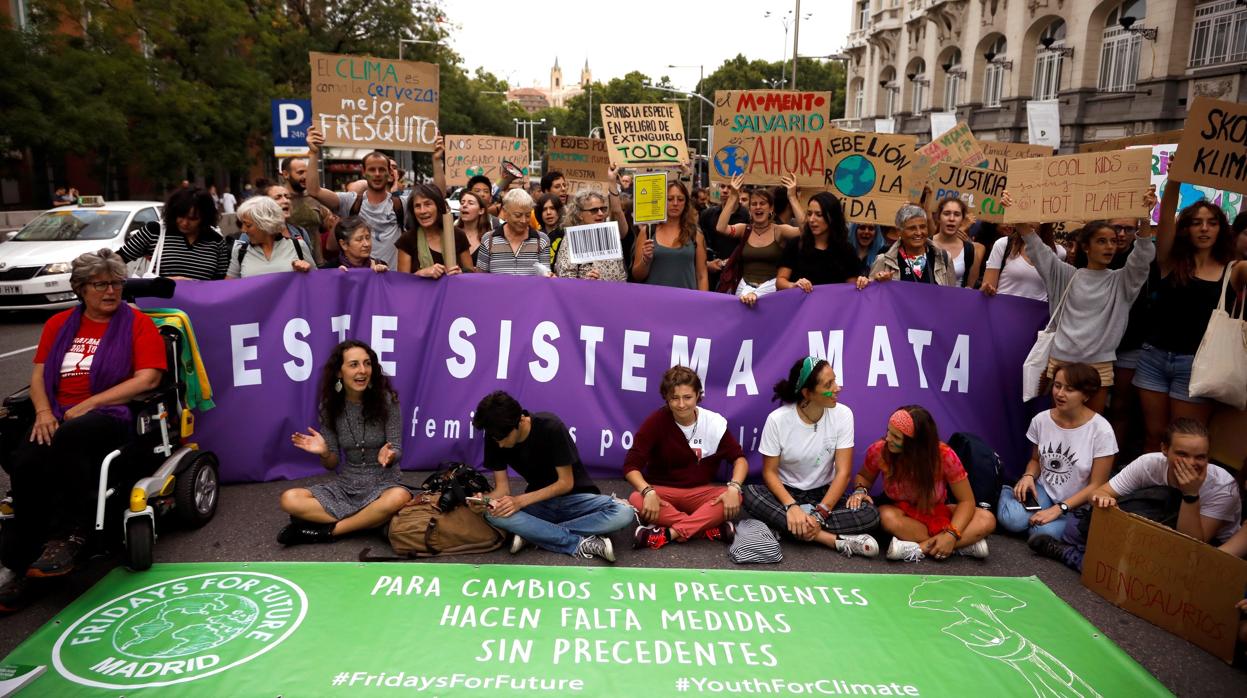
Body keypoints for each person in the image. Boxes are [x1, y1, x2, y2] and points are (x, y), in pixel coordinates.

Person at [0, 250, 165, 608]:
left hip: (112, 415)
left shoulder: (137, 324)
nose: (111, 291)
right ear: (80, 289)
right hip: (57, 413)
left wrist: (91, 403)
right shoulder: (59, 324)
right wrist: (43, 411)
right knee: (26, 459)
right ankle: (20, 562)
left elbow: (148, 377)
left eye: (116, 283)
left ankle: (72, 533)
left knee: (71, 436)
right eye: (100, 284)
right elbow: (40, 375)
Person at [1002, 188, 1157, 413]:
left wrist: (1145, 217)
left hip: (1099, 366)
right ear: (1086, 247)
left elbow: (1142, 256)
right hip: (1062, 362)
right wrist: (1013, 208)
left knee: (1090, 428)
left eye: (1113, 241)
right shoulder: (1064, 275)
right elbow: (1034, 244)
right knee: (1059, 425)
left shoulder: (1122, 281)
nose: (1110, 246)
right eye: (1102, 241)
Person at [1029, 419, 1241, 571]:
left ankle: (1073, 556)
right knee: (1076, 527)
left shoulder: (1223, 487)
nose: (1191, 463)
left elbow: (1192, 544)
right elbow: (1099, 492)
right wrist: (1104, 500)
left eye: (1200, 457)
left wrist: (1191, 494)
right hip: (1150, 530)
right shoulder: (1149, 463)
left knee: (1159, 574)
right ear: (1165, 449)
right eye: (1182, 454)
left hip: (1192, 550)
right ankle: (1093, 555)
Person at [1132, 185, 1247, 451]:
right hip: (1154, 359)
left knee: (1185, 441)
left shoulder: (1235, 270)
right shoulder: (1169, 261)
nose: (1204, 228)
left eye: (1212, 223)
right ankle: (1152, 491)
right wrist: (1174, 180)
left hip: (1197, 367)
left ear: (1222, 229)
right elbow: (1167, 213)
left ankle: (1178, 492)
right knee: (1154, 436)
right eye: (1196, 223)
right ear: (1186, 229)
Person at [742, 357, 881, 557]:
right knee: (749, 494)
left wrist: (821, 514)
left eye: (835, 380)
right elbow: (770, 473)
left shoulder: (843, 415)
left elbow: (843, 473)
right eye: (828, 384)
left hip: (824, 495)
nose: (837, 388)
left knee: (870, 514)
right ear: (807, 393)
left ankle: (788, 528)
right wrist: (791, 507)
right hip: (787, 495)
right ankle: (830, 540)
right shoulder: (778, 420)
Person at [472, 391, 635, 561]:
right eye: (494, 438)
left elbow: (565, 483)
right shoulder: (494, 436)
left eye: (502, 437)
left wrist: (519, 502)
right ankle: (576, 542)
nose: (499, 443)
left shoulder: (551, 426)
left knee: (624, 512)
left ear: (518, 422)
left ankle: (534, 534)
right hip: (538, 504)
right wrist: (484, 501)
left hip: (576, 500)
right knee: (492, 513)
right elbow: (502, 489)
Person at [279, 341, 410, 545]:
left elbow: (397, 447)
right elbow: (331, 464)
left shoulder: (388, 401)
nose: (362, 370)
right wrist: (324, 452)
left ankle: (331, 531)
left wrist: (391, 455)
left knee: (399, 497)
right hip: (347, 485)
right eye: (354, 364)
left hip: (384, 484)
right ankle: (370, 520)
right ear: (339, 373)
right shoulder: (329, 407)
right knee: (289, 498)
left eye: (367, 364)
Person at [624, 366, 749, 549]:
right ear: (666, 398)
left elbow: (740, 460)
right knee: (637, 498)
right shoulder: (656, 422)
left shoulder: (713, 422)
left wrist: (734, 487)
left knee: (734, 497)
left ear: (698, 395)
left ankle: (668, 533)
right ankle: (706, 528)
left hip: (700, 493)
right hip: (663, 492)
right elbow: (631, 466)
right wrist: (647, 491)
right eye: (674, 398)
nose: (681, 404)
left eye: (687, 397)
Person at [853, 406, 996, 562]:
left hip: (938, 513)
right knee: (885, 516)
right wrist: (860, 490)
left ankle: (919, 549)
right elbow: (863, 477)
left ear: (915, 443)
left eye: (896, 437)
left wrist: (951, 534)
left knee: (986, 519)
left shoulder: (944, 455)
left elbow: (967, 501)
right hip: (901, 514)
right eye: (888, 431)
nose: (888, 439)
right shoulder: (880, 450)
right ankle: (960, 547)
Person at [997, 363, 1116, 541]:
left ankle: (1053, 521)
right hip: (1044, 490)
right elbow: (1036, 460)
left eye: (1069, 389)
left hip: (1078, 503)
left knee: (1040, 533)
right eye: (1057, 385)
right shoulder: (1041, 420)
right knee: (1012, 520)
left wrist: (1060, 508)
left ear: (1086, 395)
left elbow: (1096, 486)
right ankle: (1008, 491)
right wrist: (1028, 475)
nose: (1060, 394)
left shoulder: (1102, 431)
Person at [305, 124, 405, 267]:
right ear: (363, 172)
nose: (377, 174)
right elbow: (314, 190)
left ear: (390, 173)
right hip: (360, 283)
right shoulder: (350, 202)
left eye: (381, 169)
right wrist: (313, 153)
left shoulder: (401, 204)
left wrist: (437, 159)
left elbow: (437, 198)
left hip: (392, 283)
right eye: (372, 169)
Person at [716, 174, 803, 302]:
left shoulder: (779, 230)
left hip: (771, 293)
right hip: (743, 291)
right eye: (754, 204)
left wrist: (792, 197)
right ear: (750, 210)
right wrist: (733, 196)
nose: (758, 207)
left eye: (762, 203)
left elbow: (806, 230)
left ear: (771, 208)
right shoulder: (744, 229)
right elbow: (721, 228)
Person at [118, 187, 230, 280]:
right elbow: (117, 259)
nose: (185, 223)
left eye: (193, 218)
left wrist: (193, 283)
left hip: (201, 304)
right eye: (180, 216)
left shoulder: (216, 241)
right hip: (160, 305)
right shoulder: (155, 231)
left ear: (205, 218)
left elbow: (220, 283)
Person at [776, 193, 861, 294]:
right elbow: (780, 282)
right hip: (800, 307)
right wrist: (793, 285)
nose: (811, 219)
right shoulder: (795, 245)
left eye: (819, 215)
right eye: (809, 213)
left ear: (832, 217)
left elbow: (851, 289)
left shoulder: (847, 250)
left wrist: (862, 282)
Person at [632, 181, 708, 291]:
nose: (675, 203)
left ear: (686, 203)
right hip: (654, 302)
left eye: (680, 199)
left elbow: (702, 276)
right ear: (661, 201)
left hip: (686, 303)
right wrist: (645, 260)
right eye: (670, 199)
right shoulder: (648, 232)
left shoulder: (695, 234)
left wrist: (703, 304)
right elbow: (637, 276)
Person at [865, 205, 956, 287]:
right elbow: (872, 295)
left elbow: (951, 296)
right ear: (899, 231)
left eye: (923, 227)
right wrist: (876, 283)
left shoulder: (943, 258)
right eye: (912, 228)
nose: (919, 233)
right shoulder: (884, 261)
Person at [396, 184, 471, 278]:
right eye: (417, 206)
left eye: (427, 204)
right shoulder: (407, 240)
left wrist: (461, 274)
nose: (422, 211)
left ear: (438, 206)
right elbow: (402, 283)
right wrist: (420, 274)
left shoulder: (457, 235)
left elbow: (471, 276)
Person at [227, 196, 314, 279]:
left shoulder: (298, 246)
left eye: (248, 225)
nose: (243, 230)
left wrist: (307, 270)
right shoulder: (239, 251)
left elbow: (316, 283)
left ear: (266, 224)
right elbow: (228, 289)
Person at [553, 190, 628, 282]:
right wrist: (586, 281)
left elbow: (621, 273)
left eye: (603, 209)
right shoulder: (572, 239)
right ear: (580, 214)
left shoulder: (610, 234)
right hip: (585, 295)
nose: (600, 213)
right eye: (594, 210)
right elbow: (565, 277)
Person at [980, 223, 1067, 301]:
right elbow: (988, 286)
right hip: (1003, 311)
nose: (1031, 220)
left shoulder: (1059, 252)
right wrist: (987, 288)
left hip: (1037, 316)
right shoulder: (1003, 244)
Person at [476, 189, 550, 276]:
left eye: (528, 215)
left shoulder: (541, 240)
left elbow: (545, 277)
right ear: (505, 212)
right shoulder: (489, 239)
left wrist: (549, 276)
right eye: (518, 215)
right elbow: (480, 277)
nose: (523, 220)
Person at [281, 156, 337, 264]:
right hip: (289, 266)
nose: (305, 176)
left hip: (316, 265)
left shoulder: (315, 197)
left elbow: (327, 227)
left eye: (307, 172)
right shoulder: (277, 200)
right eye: (300, 172)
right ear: (285, 174)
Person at [930, 196, 986, 288]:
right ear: (938, 217)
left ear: (962, 220)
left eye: (957, 214)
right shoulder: (924, 245)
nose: (951, 218)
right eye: (946, 213)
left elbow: (971, 288)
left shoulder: (970, 251)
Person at [265, 184, 320, 264]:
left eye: (287, 197)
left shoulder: (300, 232)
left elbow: (311, 267)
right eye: (278, 197)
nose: (285, 201)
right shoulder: (251, 235)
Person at [456, 191, 493, 261]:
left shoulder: (490, 237)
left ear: (481, 211)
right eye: (462, 203)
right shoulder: (452, 234)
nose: (464, 205)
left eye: (470, 203)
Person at [536, 193, 566, 260]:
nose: (548, 212)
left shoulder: (566, 234)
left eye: (552, 208)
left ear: (559, 211)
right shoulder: (535, 237)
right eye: (544, 209)